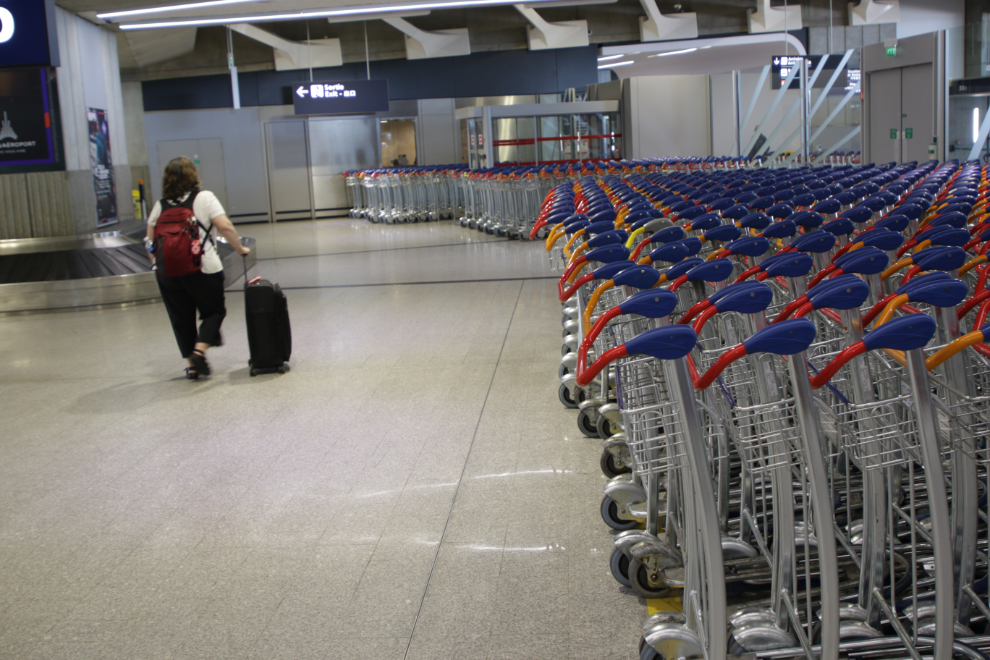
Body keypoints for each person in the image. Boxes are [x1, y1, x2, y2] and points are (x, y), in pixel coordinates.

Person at [146, 156, 250, 379]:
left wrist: (157, 263)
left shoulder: (160, 205)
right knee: (214, 311)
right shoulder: (204, 198)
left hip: (167, 273)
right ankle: (198, 352)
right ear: (193, 175)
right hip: (202, 268)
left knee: (181, 319)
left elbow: (149, 241)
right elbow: (225, 226)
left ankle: (192, 367)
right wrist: (240, 248)